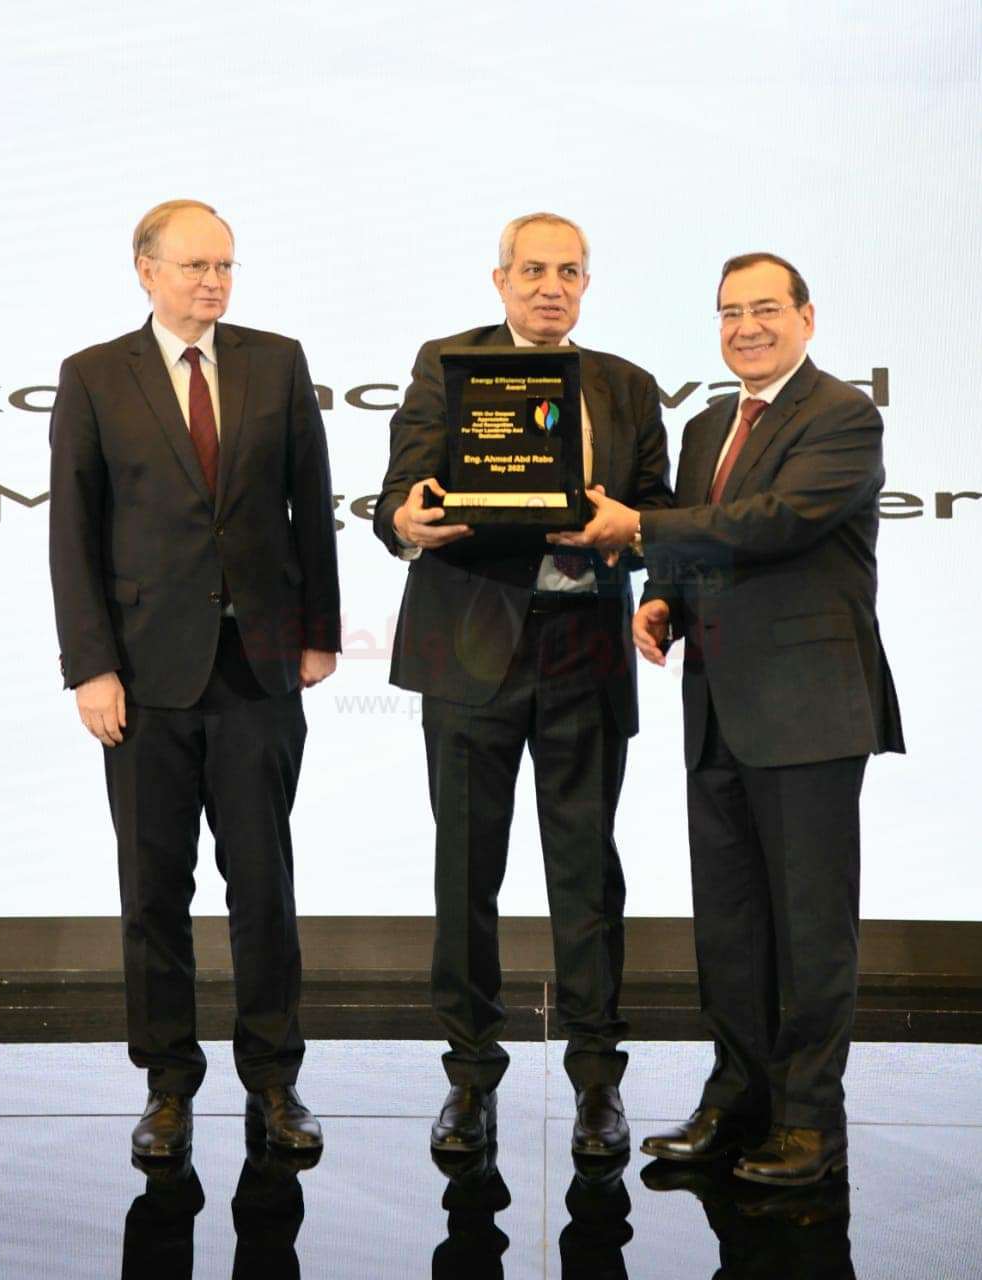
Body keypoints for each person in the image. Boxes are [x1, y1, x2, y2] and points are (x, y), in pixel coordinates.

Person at [558, 251, 903, 1185]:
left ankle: (809, 1122)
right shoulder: (709, 423)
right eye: (729, 313)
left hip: (808, 709)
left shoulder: (842, 414)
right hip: (716, 704)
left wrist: (642, 531)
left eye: (765, 309)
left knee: (811, 929)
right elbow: (701, 541)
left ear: (806, 318)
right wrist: (662, 596)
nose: (746, 327)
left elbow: (774, 522)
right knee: (730, 923)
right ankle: (737, 1099)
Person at [374, 212, 672, 1157]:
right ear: (500, 280)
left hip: (586, 647)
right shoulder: (447, 364)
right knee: (467, 870)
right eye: (534, 270)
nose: (552, 287)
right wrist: (405, 521)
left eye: (569, 272)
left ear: (586, 285)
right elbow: (400, 493)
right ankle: (470, 1077)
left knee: (586, 872)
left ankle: (597, 1081)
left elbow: (658, 514)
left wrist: (630, 531)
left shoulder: (627, 384)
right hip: (471, 646)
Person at [49, 199, 341, 1159]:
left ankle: (275, 1081)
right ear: (146, 270)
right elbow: (72, 535)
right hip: (142, 679)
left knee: (264, 887)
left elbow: (310, 504)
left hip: (258, 672)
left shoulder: (276, 361)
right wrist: (91, 666)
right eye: (195, 266)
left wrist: (319, 633)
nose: (214, 282)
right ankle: (168, 1086)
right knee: (153, 895)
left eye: (225, 266)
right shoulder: (95, 375)